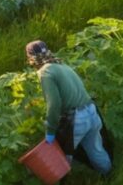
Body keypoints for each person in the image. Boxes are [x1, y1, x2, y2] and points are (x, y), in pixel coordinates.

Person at [27, 40, 111, 175]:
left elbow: (53, 104)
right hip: (92, 111)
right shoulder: (62, 65)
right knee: (96, 150)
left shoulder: (45, 72)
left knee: (62, 157)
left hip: (77, 118)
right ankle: (110, 176)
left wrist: (50, 131)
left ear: (31, 59)